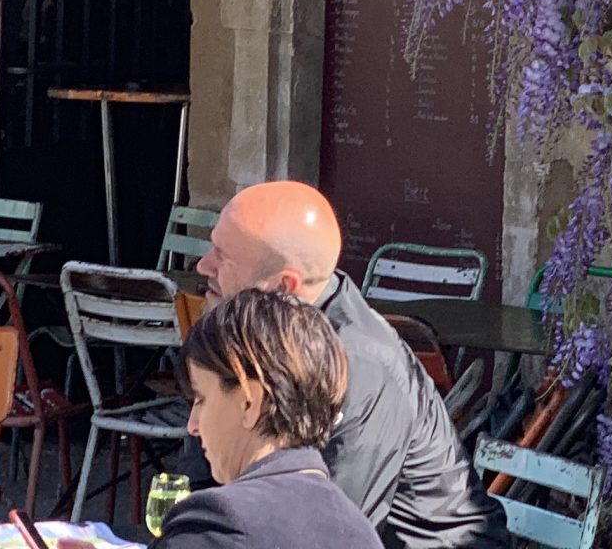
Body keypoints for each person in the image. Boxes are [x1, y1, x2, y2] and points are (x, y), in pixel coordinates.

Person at [192, 183, 508, 549]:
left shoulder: (357, 366)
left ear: (283, 286)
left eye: (222, 255)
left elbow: (328, 527)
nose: (203, 265)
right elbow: (201, 478)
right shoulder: (253, 334)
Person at [164, 288, 383, 549]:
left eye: (201, 400)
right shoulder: (357, 528)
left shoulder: (219, 524)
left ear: (249, 402)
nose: (193, 425)